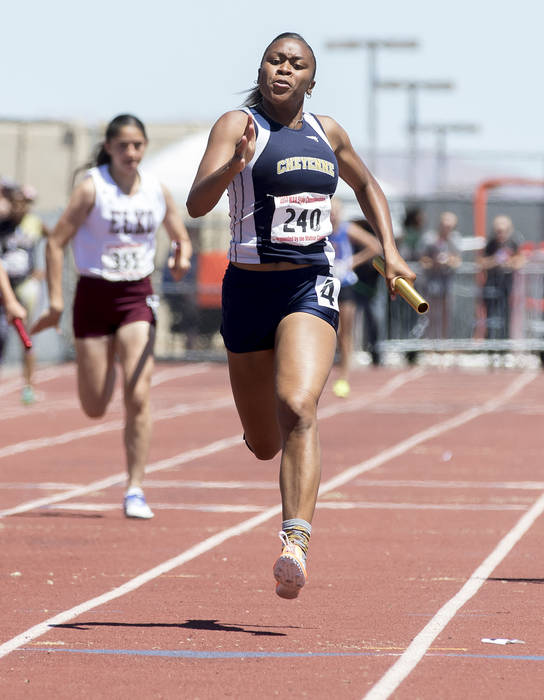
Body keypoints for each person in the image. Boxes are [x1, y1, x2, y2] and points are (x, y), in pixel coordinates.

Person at [185, 32, 413, 600]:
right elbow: (196, 203)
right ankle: (279, 472)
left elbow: (366, 185)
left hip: (309, 286)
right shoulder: (237, 126)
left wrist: (390, 246)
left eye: (296, 64)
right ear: (261, 68)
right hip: (247, 291)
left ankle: (295, 541)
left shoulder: (327, 132)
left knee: (298, 404)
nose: (282, 69)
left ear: (311, 80)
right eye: (274, 59)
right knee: (264, 442)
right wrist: (230, 167)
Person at [31, 114, 193, 519]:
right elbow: (55, 243)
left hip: (136, 295)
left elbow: (180, 235)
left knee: (138, 395)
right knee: (95, 406)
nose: (132, 153)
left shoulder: (155, 189)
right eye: (124, 146)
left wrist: (181, 257)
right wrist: (54, 303)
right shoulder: (92, 189)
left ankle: (135, 488)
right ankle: (101, 374)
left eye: (138, 145)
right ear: (108, 147)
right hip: (93, 295)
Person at [329, 200, 382, 398]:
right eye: (330, 211)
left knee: (345, 331)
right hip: (323, 284)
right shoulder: (319, 228)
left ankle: (343, 377)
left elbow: (375, 246)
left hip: (344, 284)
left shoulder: (346, 229)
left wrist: (351, 263)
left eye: (336, 212)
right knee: (327, 330)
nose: (333, 215)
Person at [0, 183, 47, 404]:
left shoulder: (35, 224)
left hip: (25, 283)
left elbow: (56, 239)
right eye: (19, 202)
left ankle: (28, 385)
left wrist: (43, 267)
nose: (22, 207)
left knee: (27, 337)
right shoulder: (3, 224)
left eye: (27, 203)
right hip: (4, 284)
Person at [479, 214, 525, 339]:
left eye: (503, 231)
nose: (501, 234)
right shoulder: (490, 244)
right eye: (498, 231)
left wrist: (510, 263)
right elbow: (481, 262)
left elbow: (521, 260)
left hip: (506, 284)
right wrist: (495, 261)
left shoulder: (513, 243)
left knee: (506, 315)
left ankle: (505, 344)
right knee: (491, 316)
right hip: (491, 284)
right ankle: (490, 345)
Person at [419, 211, 462, 339]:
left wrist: (448, 260)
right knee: (430, 314)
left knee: (445, 314)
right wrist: (434, 263)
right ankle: (430, 341)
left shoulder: (455, 240)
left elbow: (458, 261)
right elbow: (422, 260)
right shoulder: (429, 239)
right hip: (431, 282)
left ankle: (443, 342)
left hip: (447, 283)